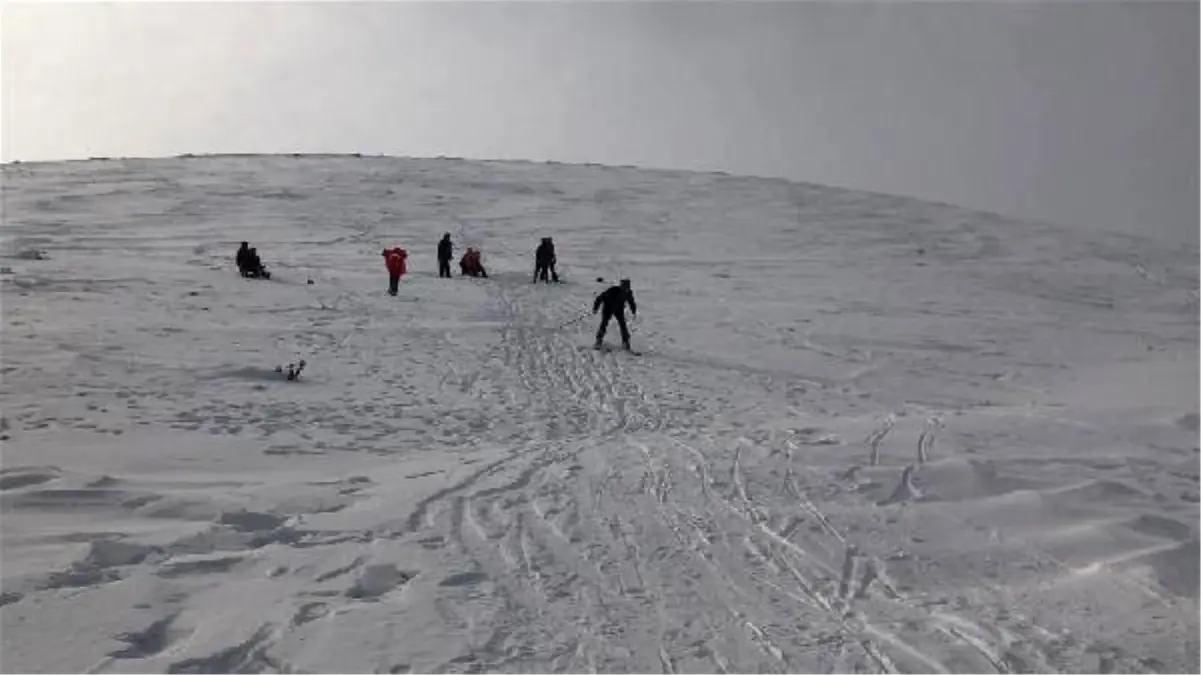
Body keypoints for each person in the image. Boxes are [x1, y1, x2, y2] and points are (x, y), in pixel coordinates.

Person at [593, 278, 637, 351]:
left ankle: (625, 342)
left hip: (619, 310)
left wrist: (634, 310)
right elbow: (600, 298)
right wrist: (595, 308)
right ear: (621, 286)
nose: (625, 289)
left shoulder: (628, 293)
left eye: (627, 287)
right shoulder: (613, 290)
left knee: (623, 325)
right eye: (624, 287)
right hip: (608, 309)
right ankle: (599, 340)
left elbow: (631, 302)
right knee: (604, 323)